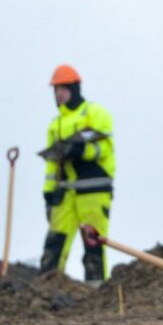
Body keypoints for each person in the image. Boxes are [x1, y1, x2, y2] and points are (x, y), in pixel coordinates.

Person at [40, 64, 116, 285]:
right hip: (65, 192)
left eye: (62, 89)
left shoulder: (95, 113)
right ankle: (46, 292)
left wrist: (82, 150)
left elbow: (105, 149)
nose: (58, 94)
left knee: (93, 244)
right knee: (54, 242)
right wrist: (48, 194)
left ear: (74, 89)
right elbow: (51, 166)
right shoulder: (55, 124)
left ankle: (96, 294)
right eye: (56, 90)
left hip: (93, 189)